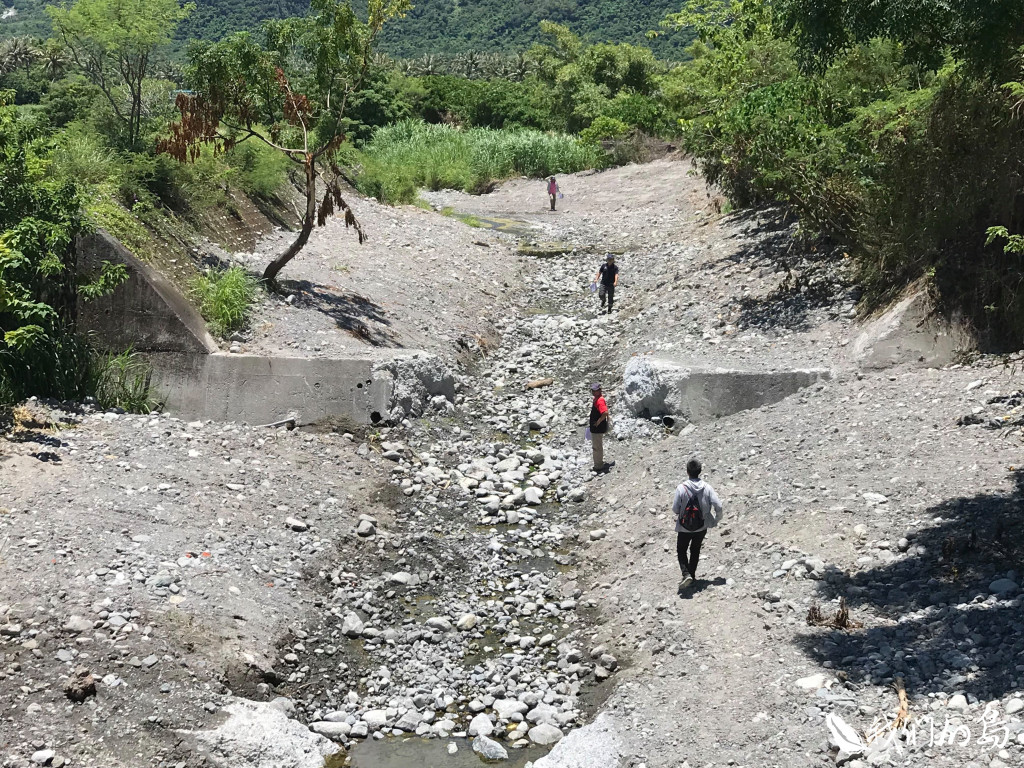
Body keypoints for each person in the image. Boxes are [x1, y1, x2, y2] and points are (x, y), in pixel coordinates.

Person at [672, 458, 723, 591]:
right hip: (701, 526)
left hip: (684, 527)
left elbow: (675, 509)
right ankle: (692, 577)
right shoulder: (707, 487)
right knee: (695, 550)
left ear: (687, 471)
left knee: (681, 550)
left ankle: (686, 574)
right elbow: (718, 505)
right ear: (700, 471)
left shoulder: (681, 488)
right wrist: (716, 520)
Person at [588, 382, 612, 473]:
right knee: (596, 445)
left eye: (595, 390)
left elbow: (605, 412)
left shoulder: (600, 400)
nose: (593, 392)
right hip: (595, 428)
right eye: (592, 390)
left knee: (597, 447)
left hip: (597, 428)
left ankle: (598, 466)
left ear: (599, 390)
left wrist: (598, 422)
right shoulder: (596, 398)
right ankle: (598, 463)